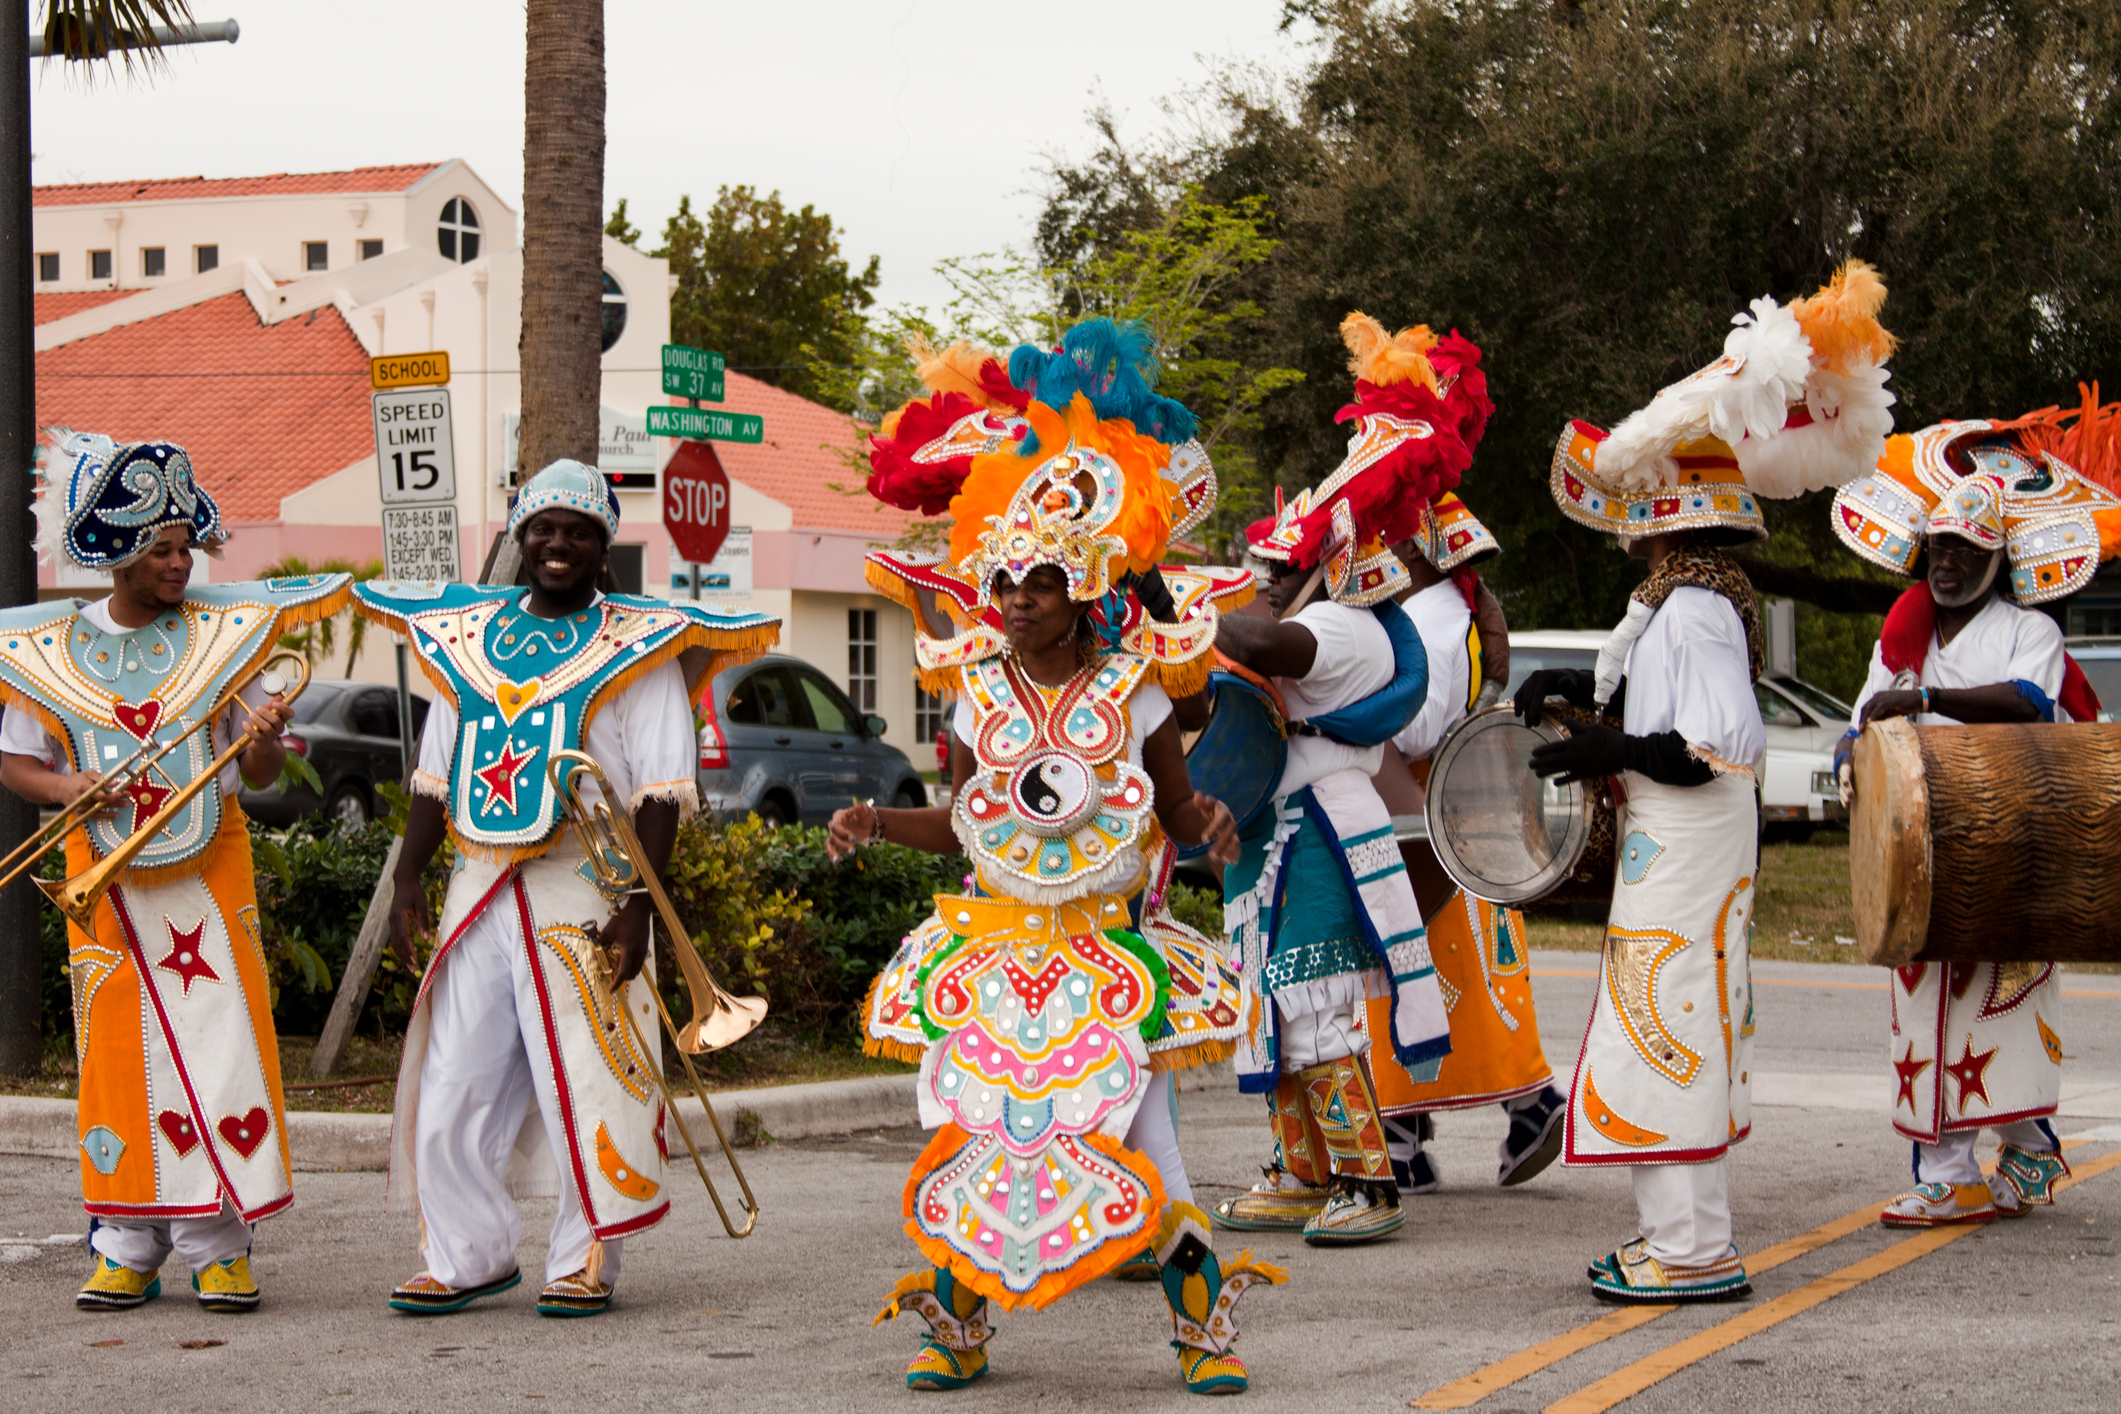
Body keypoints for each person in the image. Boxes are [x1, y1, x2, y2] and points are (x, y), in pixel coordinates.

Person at [845, 320, 1279, 1396]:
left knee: (1151, 1160)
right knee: (984, 1142)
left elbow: (1175, 811)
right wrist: (874, 822)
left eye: (1040, 581)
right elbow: (963, 823)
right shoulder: (974, 696)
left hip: (1106, 961)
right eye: (1006, 582)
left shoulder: (1137, 693)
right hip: (993, 956)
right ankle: (955, 1332)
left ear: (1083, 588)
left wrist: (1212, 830)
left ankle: (1204, 1340)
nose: (1019, 599)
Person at [1533, 262, 1898, 1302]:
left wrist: (1611, 752)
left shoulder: (1690, 603)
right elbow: (1663, 718)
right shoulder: (1684, 597)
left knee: (1672, 1024)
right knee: (1667, 1020)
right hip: (1678, 841)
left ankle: (1691, 1250)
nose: (1629, 532)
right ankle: (1679, 1238)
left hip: (1687, 836)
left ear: (1664, 518)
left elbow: (1704, 745)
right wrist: (1583, 704)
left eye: (1636, 517)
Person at [355, 461, 776, 1318]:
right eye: (543, 527)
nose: (557, 545)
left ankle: (586, 1257)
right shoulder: (465, 634)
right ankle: (462, 1256)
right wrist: (406, 880)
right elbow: (433, 778)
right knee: (454, 1077)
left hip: (589, 885)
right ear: (520, 534)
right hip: (478, 884)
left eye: (577, 532)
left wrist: (637, 913)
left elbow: (659, 794)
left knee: (592, 1076)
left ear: (601, 546)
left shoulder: (642, 642)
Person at [0, 431, 351, 1312]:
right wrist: (65, 786)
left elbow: (261, 777)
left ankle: (218, 1245)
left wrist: (266, 742)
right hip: (104, 874)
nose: (179, 561)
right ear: (116, 552)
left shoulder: (224, 638)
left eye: (185, 544)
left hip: (209, 869)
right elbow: (15, 761)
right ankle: (126, 1244)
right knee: (117, 1054)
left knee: (219, 1047)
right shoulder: (50, 648)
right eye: (160, 547)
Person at [1208, 313, 1467, 1248]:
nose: (1259, 579)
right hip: (1271, 827)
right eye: (1258, 567)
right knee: (1266, 1000)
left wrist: (1214, 602)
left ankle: (1368, 1178)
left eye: (1275, 565)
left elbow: (1251, 638)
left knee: (1315, 1000)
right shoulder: (1296, 612)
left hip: (1321, 825)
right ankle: (1300, 1169)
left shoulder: (1344, 630)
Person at [1829, 410, 2120, 1226]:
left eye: (1965, 553)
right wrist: (1852, 754)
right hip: (1923, 856)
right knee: (1925, 1008)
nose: (1948, 566)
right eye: (1938, 551)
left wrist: (1923, 699)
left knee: (1999, 1007)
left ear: (1997, 560)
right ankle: (1954, 1170)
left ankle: (2023, 1144)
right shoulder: (1902, 637)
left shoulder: (2028, 630)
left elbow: (2029, 704)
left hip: (2010, 846)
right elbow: (1863, 726)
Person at [1370, 487, 1569, 1194]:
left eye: (1397, 539)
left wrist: (1360, 719)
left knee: (1403, 968)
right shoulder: (1450, 610)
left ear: (1423, 550)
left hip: (1416, 812)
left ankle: (1399, 1137)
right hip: (1457, 811)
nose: (1387, 550)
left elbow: (1416, 729)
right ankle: (1517, 1107)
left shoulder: (1426, 619)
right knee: (1474, 980)